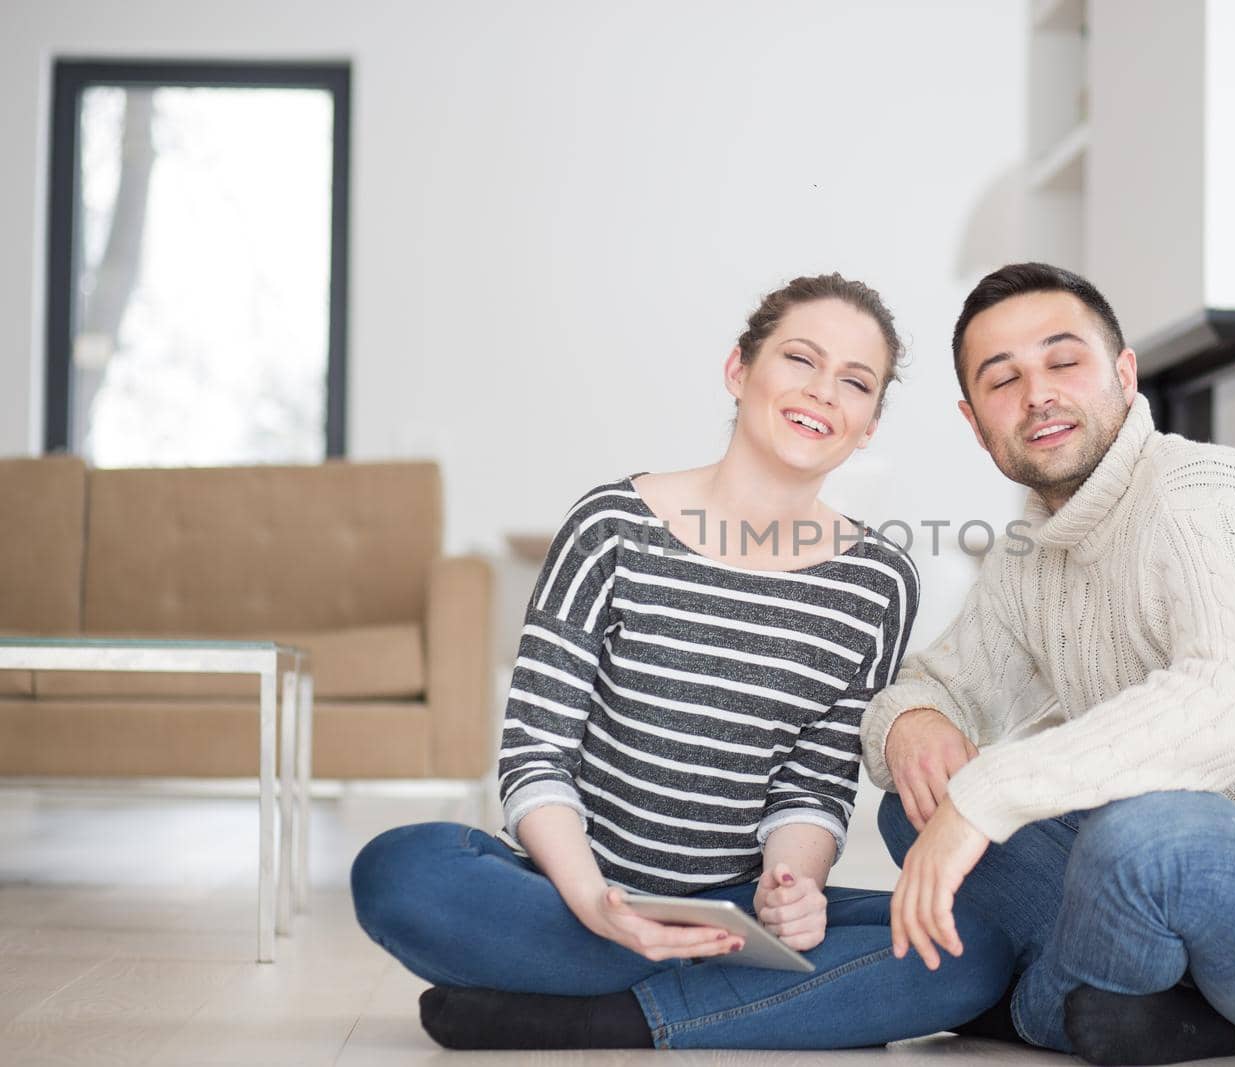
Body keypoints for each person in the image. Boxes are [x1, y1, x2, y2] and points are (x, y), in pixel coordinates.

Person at [350, 273, 1012, 1051]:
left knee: (971, 945)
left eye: (855, 382)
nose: (823, 392)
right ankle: (735, 1001)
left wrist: (791, 885)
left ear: (868, 425)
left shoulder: (877, 581)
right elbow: (534, 754)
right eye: (800, 359)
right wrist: (596, 900)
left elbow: (812, 783)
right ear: (739, 370)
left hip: (731, 910)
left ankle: (603, 1013)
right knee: (398, 869)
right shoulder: (611, 527)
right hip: (567, 890)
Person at [870, 262, 1235, 1064]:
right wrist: (913, 724)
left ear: (1123, 373)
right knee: (915, 808)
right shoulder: (1034, 555)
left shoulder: (1207, 497)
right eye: (1003, 380)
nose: (1038, 394)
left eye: (1064, 361)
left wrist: (989, 794)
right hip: (1191, 884)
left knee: (1142, 837)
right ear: (976, 423)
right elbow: (936, 684)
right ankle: (1130, 1010)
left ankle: (1047, 1004)